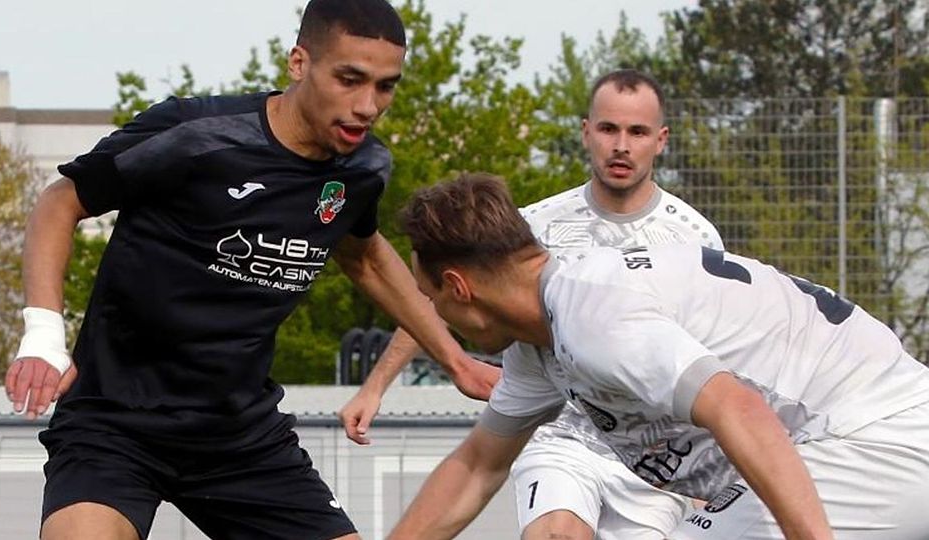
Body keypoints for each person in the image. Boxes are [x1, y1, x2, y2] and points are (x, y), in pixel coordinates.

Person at [2, 1, 496, 539]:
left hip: (240, 437)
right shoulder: (195, 132)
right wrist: (43, 334)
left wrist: (457, 362)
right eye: (349, 79)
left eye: (385, 86)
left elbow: (365, 256)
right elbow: (61, 201)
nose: (367, 105)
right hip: (115, 423)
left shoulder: (363, 168)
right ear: (299, 63)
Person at [389, 173, 929, 540]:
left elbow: (739, 409)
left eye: (430, 296)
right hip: (861, 435)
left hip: (876, 436)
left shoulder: (590, 314)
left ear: (458, 287)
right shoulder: (543, 336)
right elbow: (477, 466)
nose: (433, 311)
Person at [342, 70, 720, 538]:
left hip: (652, 454)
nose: (621, 145)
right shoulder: (532, 227)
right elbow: (441, 293)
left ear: (660, 140)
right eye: (608, 129)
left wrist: (715, 470)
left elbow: (714, 367)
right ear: (586, 131)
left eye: (637, 132)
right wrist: (377, 385)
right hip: (562, 435)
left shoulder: (695, 239)